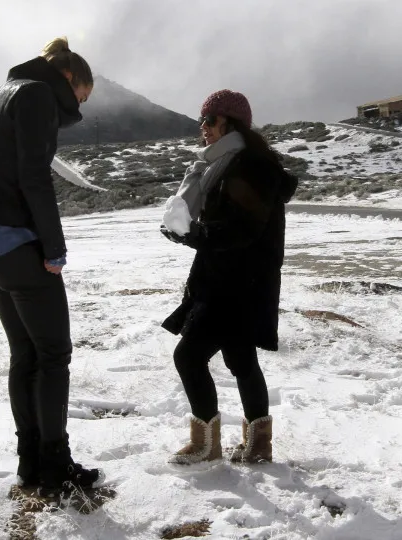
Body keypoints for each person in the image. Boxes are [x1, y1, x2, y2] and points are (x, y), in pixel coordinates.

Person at [0, 37, 99, 495]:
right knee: (54, 356)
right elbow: (34, 176)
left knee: (26, 355)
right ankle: (56, 467)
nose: (80, 106)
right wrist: (54, 249)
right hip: (18, 243)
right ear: (68, 77)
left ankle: (31, 462)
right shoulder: (37, 94)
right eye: (82, 95)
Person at [160, 89, 297, 465]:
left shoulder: (252, 167)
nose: (202, 128)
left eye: (209, 120)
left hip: (238, 284)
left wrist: (193, 234)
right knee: (241, 360)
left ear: (229, 123)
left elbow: (243, 231)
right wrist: (182, 228)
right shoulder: (224, 164)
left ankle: (206, 445)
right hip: (228, 279)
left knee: (189, 356)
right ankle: (258, 445)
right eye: (201, 121)